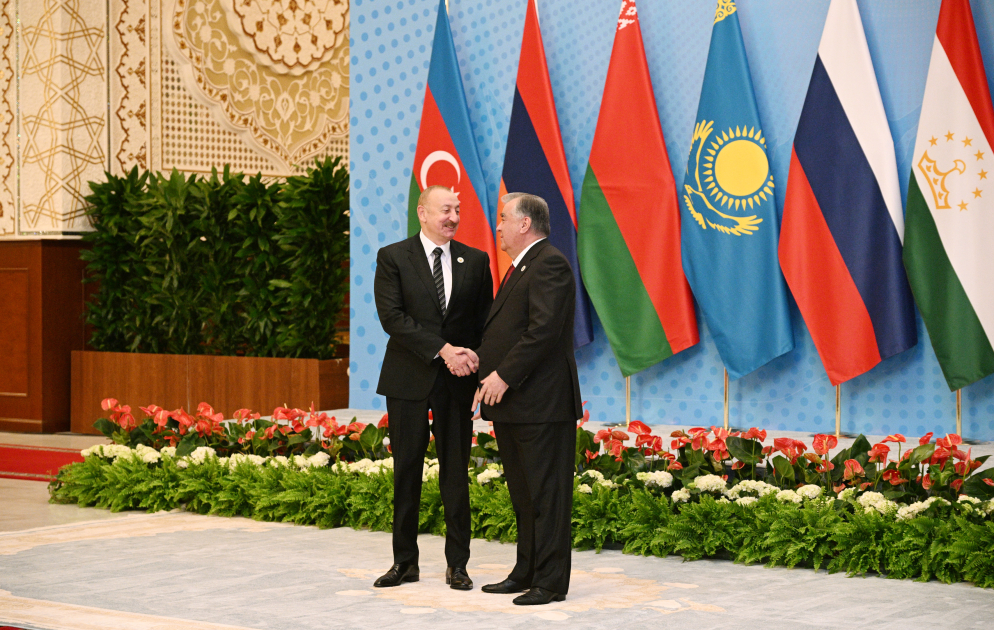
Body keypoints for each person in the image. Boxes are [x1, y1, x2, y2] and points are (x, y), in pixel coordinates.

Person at [373, 185, 494, 590]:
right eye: (445, 210)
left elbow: (485, 323)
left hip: (457, 384)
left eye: (457, 210)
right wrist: (444, 351)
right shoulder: (393, 257)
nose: (453, 218)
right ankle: (404, 563)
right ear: (422, 213)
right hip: (408, 379)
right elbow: (393, 318)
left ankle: (458, 565)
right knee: (406, 473)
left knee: (456, 476)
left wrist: (475, 359)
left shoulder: (475, 261)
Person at [473, 193, 582, 606]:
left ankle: (550, 582)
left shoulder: (549, 263)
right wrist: (482, 371)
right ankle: (526, 571)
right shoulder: (523, 266)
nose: (498, 226)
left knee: (547, 496)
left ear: (524, 224)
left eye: (504, 218)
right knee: (524, 496)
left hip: (542, 404)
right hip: (516, 404)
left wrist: (503, 375)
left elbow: (543, 331)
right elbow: (506, 333)